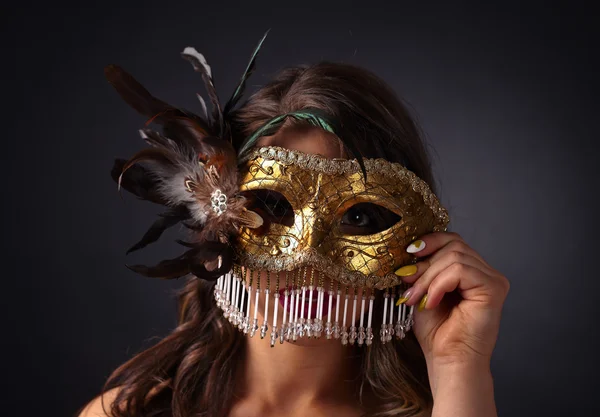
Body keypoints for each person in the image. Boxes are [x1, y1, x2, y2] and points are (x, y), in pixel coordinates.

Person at [78, 35, 509, 417]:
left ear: (419, 239)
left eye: (359, 217)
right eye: (274, 206)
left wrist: (457, 366)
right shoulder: (126, 414)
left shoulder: (453, 407)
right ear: (215, 215)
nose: (309, 251)